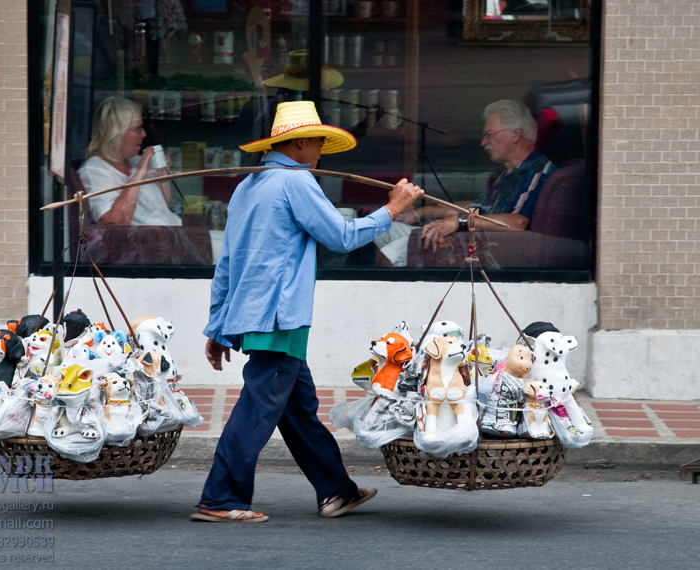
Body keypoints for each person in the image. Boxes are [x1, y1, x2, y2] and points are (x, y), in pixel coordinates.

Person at [193, 101, 423, 523]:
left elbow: (229, 260)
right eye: (317, 142)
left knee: (298, 407)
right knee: (258, 407)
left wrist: (219, 324)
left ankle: (336, 490)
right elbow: (341, 237)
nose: (320, 151)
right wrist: (393, 208)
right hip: (280, 315)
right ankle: (221, 497)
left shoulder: (250, 184)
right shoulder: (295, 183)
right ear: (298, 143)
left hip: (254, 312)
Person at [414, 99, 555, 251]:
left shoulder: (537, 172)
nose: (483, 142)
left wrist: (459, 221)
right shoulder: (510, 173)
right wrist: (422, 212)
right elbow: (477, 207)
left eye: (489, 134)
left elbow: (517, 222)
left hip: (496, 252)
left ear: (516, 134)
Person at [78, 96, 182, 226]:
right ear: (117, 133)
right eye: (138, 129)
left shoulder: (135, 161)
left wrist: (162, 174)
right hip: (148, 242)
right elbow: (114, 222)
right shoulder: (95, 170)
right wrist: (138, 175)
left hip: (172, 233)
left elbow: (161, 207)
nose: (144, 134)